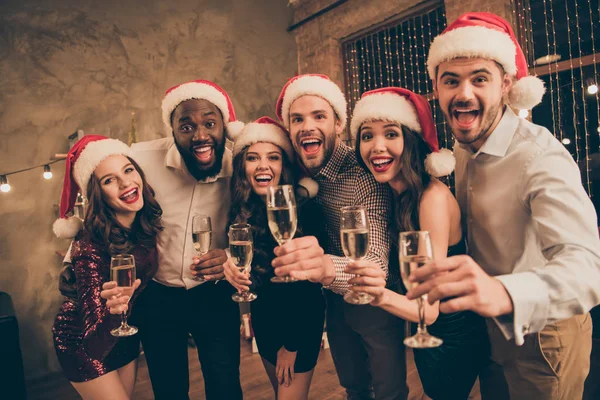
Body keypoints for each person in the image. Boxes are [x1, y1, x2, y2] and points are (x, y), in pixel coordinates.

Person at [406, 12, 600, 399]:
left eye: (480, 78)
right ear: (437, 89)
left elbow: (587, 268)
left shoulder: (539, 155)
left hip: (544, 337)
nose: (463, 93)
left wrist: (507, 294)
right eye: (450, 81)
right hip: (488, 332)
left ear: (507, 84)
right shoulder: (461, 151)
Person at [345, 87, 490, 399]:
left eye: (391, 134)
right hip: (429, 336)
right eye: (367, 136)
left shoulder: (431, 199)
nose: (377, 147)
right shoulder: (396, 194)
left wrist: (374, 294)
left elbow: (430, 309)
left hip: (451, 335)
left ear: (411, 141)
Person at [105, 79, 245, 399]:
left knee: (225, 385)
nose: (200, 135)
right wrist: (73, 256)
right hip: (157, 295)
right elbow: (101, 199)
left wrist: (231, 255)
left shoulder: (242, 162)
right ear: (173, 130)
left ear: (224, 125)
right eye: (187, 125)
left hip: (214, 293)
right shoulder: (139, 158)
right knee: (168, 388)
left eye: (210, 123)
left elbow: (259, 222)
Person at [271, 74, 408, 399]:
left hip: (376, 300)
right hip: (332, 300)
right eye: (298, 118)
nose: (307, 126)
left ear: (338, 125)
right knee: (353, 388)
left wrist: (324, 268)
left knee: (389, 392)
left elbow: (376, 264)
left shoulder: (362, 175)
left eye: (319, 116)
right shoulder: (294, 170)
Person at [221, 116, 326, 399]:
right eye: (252, 157)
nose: (263, 165)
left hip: (299, 329)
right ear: (243, 167)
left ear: (284, 166)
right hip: (264, 324)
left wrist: (290, 347)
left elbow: (310, 292)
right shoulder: (243, 212)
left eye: (273, 157)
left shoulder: (305, 211)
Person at [52, 135, 162, 399]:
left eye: (128, 170)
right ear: (98, 194)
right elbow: (95, 343)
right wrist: (115, 311)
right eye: (109, 180)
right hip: (84, 341)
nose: (126, 183)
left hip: (125, 332)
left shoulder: (144, 222)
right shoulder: (89, 246)